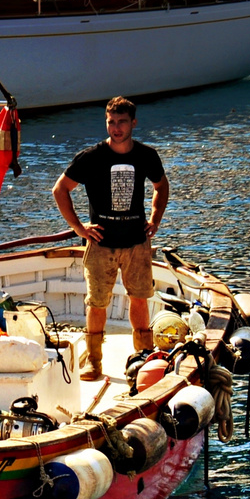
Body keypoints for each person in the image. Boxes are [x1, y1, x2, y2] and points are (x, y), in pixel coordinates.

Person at [51, 96, 170, 381]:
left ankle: (143, 359)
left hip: (137, 244)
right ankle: (93, 361)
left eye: (122, 122)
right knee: (97, 303)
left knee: (139, 299)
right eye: (111, 122)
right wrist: (79, 227)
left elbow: (161, 186)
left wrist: (155, 219)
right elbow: (60, 189)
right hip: (101, 244)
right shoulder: (91, 157)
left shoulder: (146, 156)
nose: (116, 128)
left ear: (133, 123)